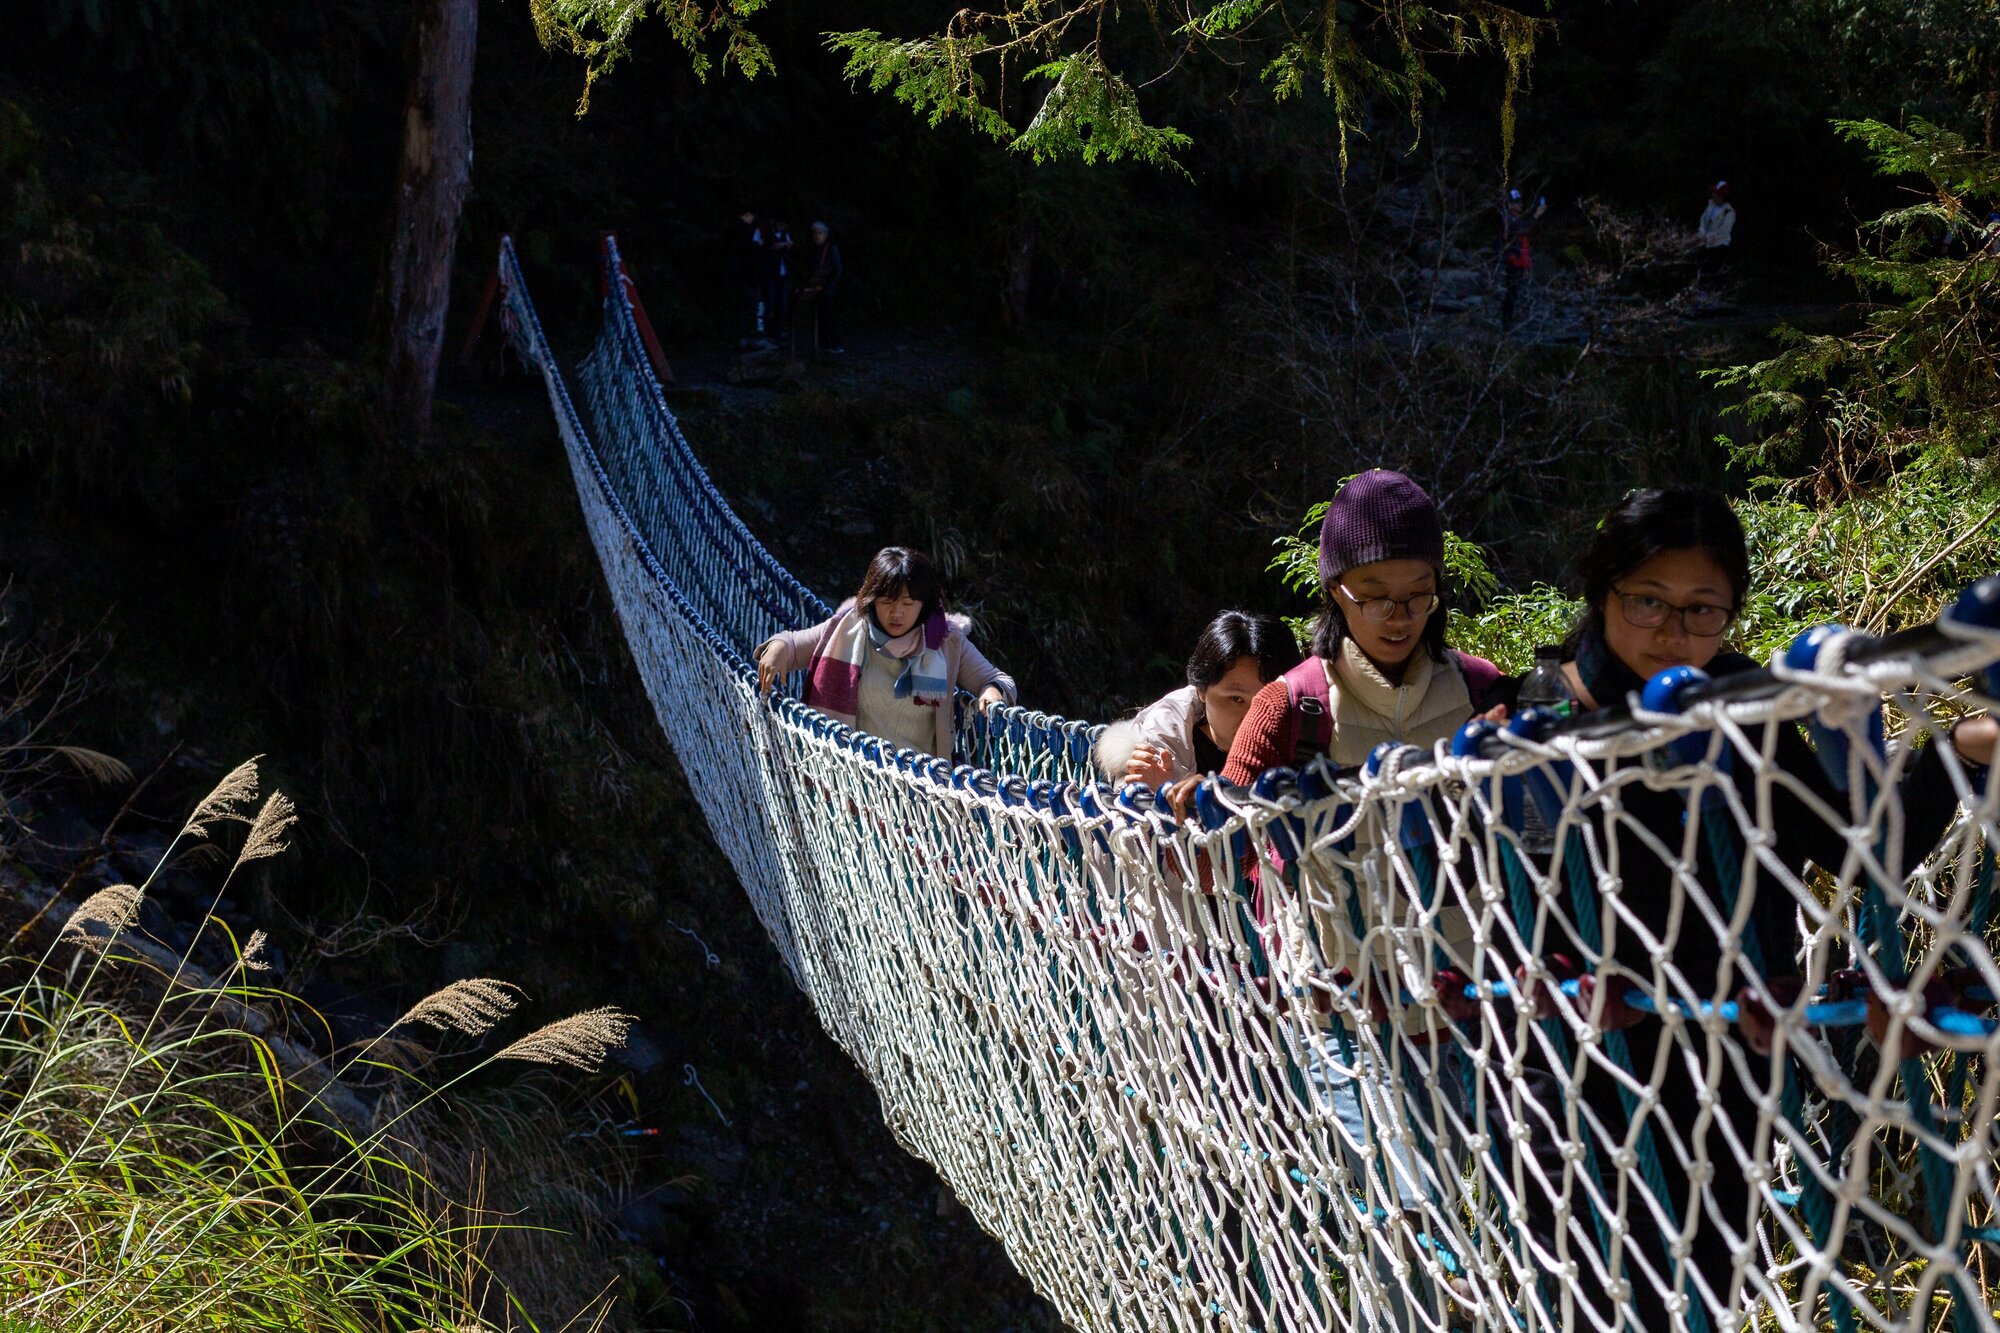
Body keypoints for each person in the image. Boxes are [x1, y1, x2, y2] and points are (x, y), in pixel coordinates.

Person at [1484, 487, 1994, 1331]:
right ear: (1602, 588)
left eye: (1703, 610)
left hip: (1724, 1051)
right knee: (1587, 1299)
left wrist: (1950, 749)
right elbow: (1500, 901)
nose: (1672, 633)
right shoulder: (1531, 715)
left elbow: (1861, 848)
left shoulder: (1742, 705)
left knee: (1701, 1293)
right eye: (1647, 601)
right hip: (1577, 1065)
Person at [754, 547, 1013, 759]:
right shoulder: (849, 627)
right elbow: (793, 646)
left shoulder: (945, 641)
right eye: (887, 602)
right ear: (871, 600)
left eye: (908, 604)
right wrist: (777, 647)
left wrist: (993, 691)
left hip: (920, 792)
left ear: (924, 605)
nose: (897, 613)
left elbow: (999, 680)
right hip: (853, 779)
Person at [1096, 611, 1296, 788]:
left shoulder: (1309, 739)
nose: (1254, 715)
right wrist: (1162, 796)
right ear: (1201, 690)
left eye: (1267, 700)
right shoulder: (1155, 753)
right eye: (1236, 699)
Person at [1498, 187, 1546, 331]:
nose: (1518, 205)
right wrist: (1536, 215)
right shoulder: (1508, 219)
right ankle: (1506, 323)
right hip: (1513, 261)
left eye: (1519, 203)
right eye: (1515, 203)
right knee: (1512, 291)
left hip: (1519, 260)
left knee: (1514, 291)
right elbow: (1521, 229)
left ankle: (1508, 320)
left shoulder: (1514, 219)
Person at [796, 221, 844, 354]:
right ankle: (823, 343)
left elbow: (837, 270)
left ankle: (835, 343)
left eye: (820, 233)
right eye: (815, 233)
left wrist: (828, 285)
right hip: (813, 288)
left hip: (828, 289)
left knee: (829, 315)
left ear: (826, 235)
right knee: (817, 315)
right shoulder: (810, 250)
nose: (817, 236)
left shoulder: (831, 249)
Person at [727, 208, 767, 348]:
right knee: (758, 305)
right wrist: (757, 245)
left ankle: (743, 337)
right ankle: (758, 337)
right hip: (750, 275)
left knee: (742, 306)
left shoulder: (733, 230)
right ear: (748, 214)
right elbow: (749, 255)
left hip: (738, 275)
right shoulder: (748, 232)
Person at [763, 218, 794, 337]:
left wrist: (788, 246)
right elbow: (762, 250)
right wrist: (773, 247)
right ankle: (768, 331)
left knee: (782, 304)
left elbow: (790, 248)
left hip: (783, 273)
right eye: (780, 224)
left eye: (784, 225)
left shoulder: (785, 234)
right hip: (771, 273)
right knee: (770, 303)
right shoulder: (767, 233)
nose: (782, 227)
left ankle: (779, 330)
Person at [1696, 180, 1736, 251]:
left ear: (1721, 196)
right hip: (1705, 244)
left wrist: (1707, 238)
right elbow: (1703, 218)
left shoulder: (1729, 212)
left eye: (1716, 193)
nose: (1713, 195)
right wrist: (1701, 231)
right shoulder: (1711, 205)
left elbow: (1723, 231)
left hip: (1720, 246)